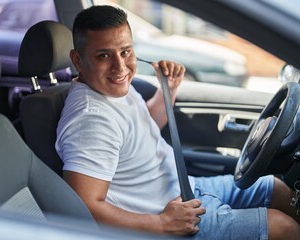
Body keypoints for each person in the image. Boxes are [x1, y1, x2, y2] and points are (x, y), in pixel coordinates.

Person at [55, 5, 300, 239]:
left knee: (276, 189)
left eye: (126, 51)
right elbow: (85, 206)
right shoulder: (91, 120)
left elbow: (140, 130)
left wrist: (168, 90)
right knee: (282, 228)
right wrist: (162, 224)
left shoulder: (112, 89)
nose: (120, 66)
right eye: (103, 55)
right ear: (77, 60)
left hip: (186, 190)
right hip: (163, 220)